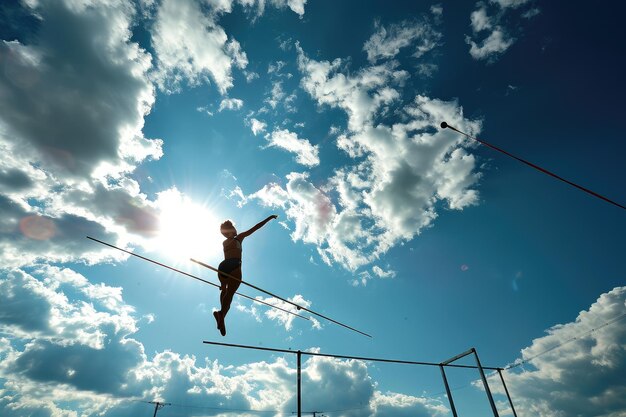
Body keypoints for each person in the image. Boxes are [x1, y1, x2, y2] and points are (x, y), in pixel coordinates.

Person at [214, 214, 278, 336]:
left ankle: (221, 317)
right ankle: (221, 314)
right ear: (232, 229)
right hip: (234, 265)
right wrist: (269, 218)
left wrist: (222, 284)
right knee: (230, 293)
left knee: (224, 290)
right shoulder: (239, 238)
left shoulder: (224, 242)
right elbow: (255, 228)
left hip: (222, 267)